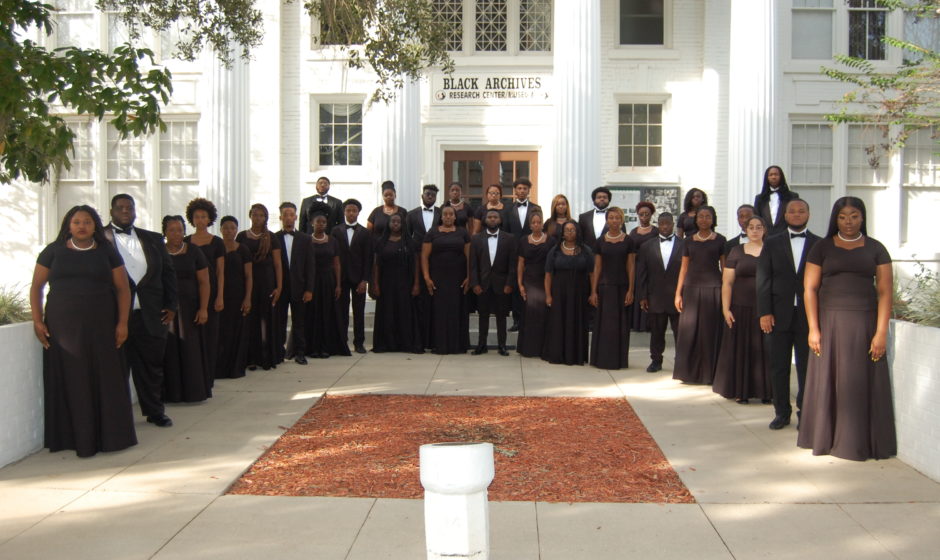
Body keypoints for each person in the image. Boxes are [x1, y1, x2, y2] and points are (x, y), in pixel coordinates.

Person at [30, 205, 136, 457]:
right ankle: (73, 438)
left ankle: (109, 438)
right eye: (76, 222)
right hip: (63, 328)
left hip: (102, 327)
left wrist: (123, 323)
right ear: (68, 225)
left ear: (95, 226)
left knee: (105, 378)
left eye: (87, 222)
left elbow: (123, 289)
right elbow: (36, 287)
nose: (81, 226)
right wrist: (37, 321)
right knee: (72, 378)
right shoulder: (52, 252)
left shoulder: (107, 252)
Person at [798, 197, 896, 461]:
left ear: (862, 217)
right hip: (829, 325)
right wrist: (813, 328)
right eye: (843, 217)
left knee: (860, 382)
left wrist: (880, 332)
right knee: (829, 380)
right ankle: (826, 439)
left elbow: (886, 292)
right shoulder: (821, 248)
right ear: (835, 219)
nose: (849, 222)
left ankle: (859, 442)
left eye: (854, 216)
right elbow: (809, 289)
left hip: (865, 325)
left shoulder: (877, 248)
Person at [106, 194, 178, 428]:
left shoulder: (154, 239)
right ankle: (118, 416)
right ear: (111, 211)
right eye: (120, 208)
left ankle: (155, 411)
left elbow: (168, 274)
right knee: (116, 370)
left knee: (151, 368)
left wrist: (171, 305)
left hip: (150, 315)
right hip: (115, 317)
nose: (126, 211)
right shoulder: (99, 239)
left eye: (130, 207)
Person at [757, 198, 821, 430]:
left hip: (808, 316)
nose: (796, 214)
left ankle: (806, 412)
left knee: (806, 367)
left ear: (808, 214)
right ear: (784, 215)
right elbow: (763, 278)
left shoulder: (819, 244)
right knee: (779, 366)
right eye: (791, 211)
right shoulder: (772, 242)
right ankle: (781, 412)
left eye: (801, 211)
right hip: (777, 314)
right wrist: (764, 311)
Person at [713, 216, 771, 403]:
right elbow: (727, 283)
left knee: (765, 350)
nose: (754, 230)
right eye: (751, 227)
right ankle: (740, 390)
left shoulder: (773, 251)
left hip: (765, 309)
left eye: (758, 227)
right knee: (741, 350)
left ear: (764, 230)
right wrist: (726, 309)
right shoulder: (736, 251)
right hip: (740, 308)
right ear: (746, 230)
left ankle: (766, 392)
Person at [673, 205, 726, 384]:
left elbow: (725, 269)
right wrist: (678, 293)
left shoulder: (720, 240)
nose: (704, 219)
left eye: (708, 216)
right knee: (690, 331)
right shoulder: (688, 241)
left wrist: (727, 293)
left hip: (714, 289)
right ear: (696, 220)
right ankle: (688, 373)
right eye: (701, 216)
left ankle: (710, 373)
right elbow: (683, 268)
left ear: (713, 219)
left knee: (710, 332)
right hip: (691, 289)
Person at [161, 215, 211, 403]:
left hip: (190, 309)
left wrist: (203, 308)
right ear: (165, 232)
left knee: (190, 350)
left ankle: (193, 393)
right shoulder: (159, 252)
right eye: (172, 230)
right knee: (169, 351)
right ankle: (171, 394)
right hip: (167, 309)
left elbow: (204, 282)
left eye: (180, 230)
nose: (176, 233)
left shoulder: (194, 251)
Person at [235, 203, 283, 370]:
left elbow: (278, 264)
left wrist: (279, 287)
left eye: (261, 215)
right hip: (247, 283)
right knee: (249, 320)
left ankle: (266, 357)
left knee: (266, 319)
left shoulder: (271, 237)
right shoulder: (241, 236)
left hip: (267, 283)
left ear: (266, 218)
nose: (258, 218)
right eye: (255, 215)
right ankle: (250, 358)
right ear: (250, 216)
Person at [183, 198, 225, 387]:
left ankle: (208, 377)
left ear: (210, 219)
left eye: (204, 217)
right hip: (190, 294)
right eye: (197, 217)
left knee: (210, 336)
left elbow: (220, 272)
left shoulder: (217, 242)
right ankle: (193, 376)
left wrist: (220, 296)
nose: (200, 220)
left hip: (212, 291)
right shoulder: (185, 241)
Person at [589, 207, 636, 369]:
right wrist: (593, 291)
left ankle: (619, 360)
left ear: (622, 220)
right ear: (607, 220)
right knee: (604, 325)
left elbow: (631, 266)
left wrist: (631, 290)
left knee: (620, 325)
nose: (614, 221)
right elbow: (597, 268)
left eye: (617, 218)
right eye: (611, 218)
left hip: (622, 287)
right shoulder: (600, 241)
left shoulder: (628, 241)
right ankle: (601, 359)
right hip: (605, 287)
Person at [636, 212, 683, 372]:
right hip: (655, 296)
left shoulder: (684, 245)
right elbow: (642, 273)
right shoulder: (647, 246)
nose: (664, 227)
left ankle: (681, 361)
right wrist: (642, 296)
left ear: (673, 224)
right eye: (661, 224)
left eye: (667, 224)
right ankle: (656, 360)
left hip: (677, 297)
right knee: (657, 332)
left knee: (680, 332)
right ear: (658, 224)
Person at [542, 221, 594, 366]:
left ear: (577, 232)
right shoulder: (555, 251)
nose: (570, 233)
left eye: (573, 230)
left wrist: (593, 292)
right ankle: (558, 355)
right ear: (562, 233)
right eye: (567, 230)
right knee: (559, 323)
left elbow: (592, 274)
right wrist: (548, 295)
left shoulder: (586, 250)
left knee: (577, 322)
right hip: (559, 293)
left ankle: (575, 356)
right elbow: (548, 275)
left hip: (579, 294)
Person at [422, 205, 471, 354]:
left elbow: (469, 256)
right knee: (439, 311)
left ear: (455, 217)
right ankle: (439, 345)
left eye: (451, 214)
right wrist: (426, 277)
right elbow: (424, 256)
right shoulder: (432, 232)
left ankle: (457, 345)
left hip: (458, 278)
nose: (448, 216)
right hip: (437, 279)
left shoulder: (463, 233)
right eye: (445, 214)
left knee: (456, 310)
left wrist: (469, 276)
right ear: (441, 217)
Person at [372, 213, 422, 353]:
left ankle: (405, 343)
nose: (395, 224)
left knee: (404, 313)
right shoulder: (381, 242)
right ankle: (387, 344)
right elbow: (376, 265)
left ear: (402, 224)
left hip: (405, 283)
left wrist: (416, 284)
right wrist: (375, 284)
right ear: (388, 223)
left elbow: (416, 264)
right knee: (387, 313)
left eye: (398, 222)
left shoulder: (409, 242)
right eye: (393, 221)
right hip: (386, 283)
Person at [470, 209, 517, 356]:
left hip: (502, 285)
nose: (492, 219)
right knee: (482, 316)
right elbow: (473, 265)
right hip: (482, 284)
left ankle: (502, 346)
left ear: (500, 220)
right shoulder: (476, 238)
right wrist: (475, 284)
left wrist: (510, 283)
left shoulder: (509, 238)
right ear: (485, 220)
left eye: (495, 217)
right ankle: (481, 345)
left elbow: (512, 264)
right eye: (489, 217)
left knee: (501, 316)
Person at [306, 207, 350, 358]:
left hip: (328, 281)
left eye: (324, 222)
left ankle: (326, 347)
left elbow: (337, 264)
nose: (321, 224)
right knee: (312, 314)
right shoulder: (306, 240)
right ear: (312, 223)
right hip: (311, 282)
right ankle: (311, 348)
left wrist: (338, 284)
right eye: (318, 222)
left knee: (327, 313)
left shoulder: (332, 241)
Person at [275, 202, 315, 365]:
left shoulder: (305, 239)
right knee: (279, 321)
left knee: (299, 321)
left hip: (299, 287)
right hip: (281, 287)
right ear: (280, 217)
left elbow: (310, 266)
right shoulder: (274, 238)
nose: (288, 218)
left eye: (291, 214)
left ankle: (300, 353)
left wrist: (309, 289)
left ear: (296, 217)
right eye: (285, 215)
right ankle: (278, 352)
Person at [332, 198, 372, 354]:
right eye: (348, 210)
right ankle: (342, 343)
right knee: (341, 312)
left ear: (358, 212)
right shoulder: (336, 231)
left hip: (358, 279)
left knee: (359, 312)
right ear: (344, 212)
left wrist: (365, 280)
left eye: (354, 210)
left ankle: (359, 343)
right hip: (341, 278)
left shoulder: (365, 232)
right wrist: (336, 281)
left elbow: (368, 258)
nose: (351, 213)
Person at [502, 178, 542, 332]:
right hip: (513, 253)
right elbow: (505, 231)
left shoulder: (536, 208)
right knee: (515, 286)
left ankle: (531, 319)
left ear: (529, 190)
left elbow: (538, 228)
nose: (522, 191)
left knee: (532, 286)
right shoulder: (507, 208)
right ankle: (517, 320)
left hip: (532, 252)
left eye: (525, 188)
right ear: (515, 190)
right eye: (519, 188)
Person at [406, 184, 442, 350]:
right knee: (419, 299)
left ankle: (434, 339)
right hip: (416, 259)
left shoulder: (441, 213)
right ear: (422, 195)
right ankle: (418, 340)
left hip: (437, 260)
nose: (430, 197)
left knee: (435, 299)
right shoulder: (411, 214)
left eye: (433, 195)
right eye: (428, 194)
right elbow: (407, 236)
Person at [216, 216, 252, 379]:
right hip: (219, 296)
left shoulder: (243, 249)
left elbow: (249, 276)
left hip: (238, 295)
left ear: (237, 230)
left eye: (232, 227)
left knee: (237, 332)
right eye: (226, 227)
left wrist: (247, 298)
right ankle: (219, 368)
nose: (229, 231)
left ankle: (235, 368)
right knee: (221, 332)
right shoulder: (216, 247)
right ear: (220, 229)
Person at [516, 212, 555, 357]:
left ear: (542, 223)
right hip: (529, 281)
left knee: (544, 314)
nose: (536, 225)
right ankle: (529, 348)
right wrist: (520, 284)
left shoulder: (551, 241)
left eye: (539, 222)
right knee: (530, 314)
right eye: (534, 222)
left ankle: (543, 349)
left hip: (545, 279)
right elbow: (520, 263)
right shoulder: (523, 241)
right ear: (530, 225)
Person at [628, 201, 658, 332]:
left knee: (649, 292)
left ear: (651, 215)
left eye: (647, 214)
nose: (644, 217)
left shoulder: (656, 231)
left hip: (652, 265)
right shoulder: (633, 232)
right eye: (641, 214)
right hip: (637, 264)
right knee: (637, 290)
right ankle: (637, 323)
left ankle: (649, 323)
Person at [754, 165, 799, 236]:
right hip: (765, 238)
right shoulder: (760, 198)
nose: (773, 177)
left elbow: (794, 217)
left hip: (785, 237)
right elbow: (757, 218)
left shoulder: (792, 196)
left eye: (776, 174)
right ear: (767, 178)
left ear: (781, 177)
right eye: (771, 175)